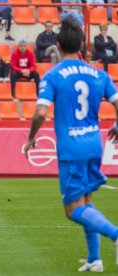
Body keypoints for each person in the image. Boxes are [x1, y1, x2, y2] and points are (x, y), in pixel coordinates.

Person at [24, 19, 118, 272]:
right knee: (85, 202)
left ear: (57, 45)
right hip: (94, 145)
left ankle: (116, 234)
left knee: (71, 210)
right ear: (82, 46)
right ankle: (94, 259)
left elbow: (41, 112)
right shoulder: (99, 74)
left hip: (71, 148)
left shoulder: (53, 75)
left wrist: (31, 138)